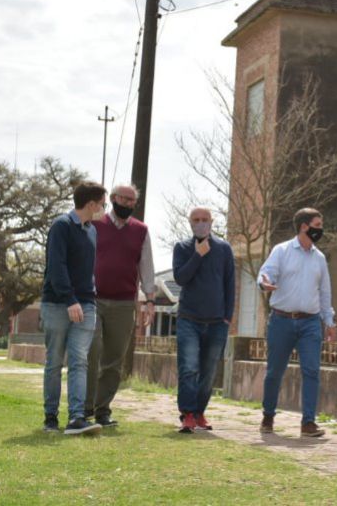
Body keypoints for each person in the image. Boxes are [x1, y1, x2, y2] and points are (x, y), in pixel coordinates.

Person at [257, 207, 337, 437]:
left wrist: (328, 321)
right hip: (281, 321)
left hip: (310, 323)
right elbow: (266, 273)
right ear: (304, 226)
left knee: (312, 370)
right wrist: (265, 283)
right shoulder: (281, 251)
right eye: (318, 226)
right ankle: (268, 415)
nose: (321, 230)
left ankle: (308, 422)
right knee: (274, 371)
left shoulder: (320, 258)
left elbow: (325, 292)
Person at [85, 183, 156, 427]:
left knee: (114, 360)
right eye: (122, 198)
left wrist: (149, 299)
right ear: (113, 198)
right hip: (92, 300)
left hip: (125, 303)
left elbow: (146, 266)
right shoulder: (94, 224)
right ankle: (84, 409)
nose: (126, 203)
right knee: (91, 352)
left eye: (130, 201)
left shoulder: (141, 231)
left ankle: (102, 409)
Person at [41, 181, 107, 435]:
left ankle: (77, 417)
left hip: (86, 305)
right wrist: (69, 300)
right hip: (58, 304)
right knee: (55, 361)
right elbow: (56, 267)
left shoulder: (92, 231)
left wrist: (86, 300)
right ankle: (50, 418)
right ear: (91, 203)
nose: (104, 208)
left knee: (80, 361)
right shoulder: (61, 226)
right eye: (102, 203)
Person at [172, 207, 235, 433]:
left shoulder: (224, 249)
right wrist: (198, 255)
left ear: (212, 222)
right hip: (189, 318)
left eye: (205, 220)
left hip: (217, 321)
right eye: (196, 220)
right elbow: (180, 278)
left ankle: (199, 412)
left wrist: (228, 317)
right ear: (190, 223)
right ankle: (187, 414)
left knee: (208, 371)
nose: (201, 223)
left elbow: (230, 284)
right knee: (189, 367)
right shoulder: (182, 248)